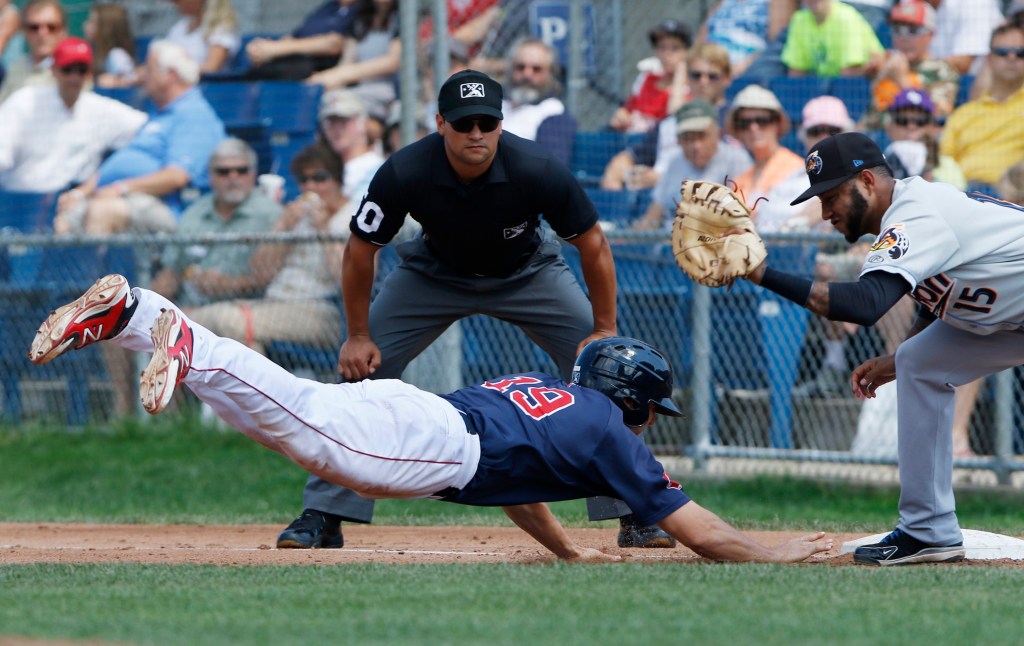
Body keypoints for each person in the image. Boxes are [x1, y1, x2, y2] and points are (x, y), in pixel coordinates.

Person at [27, 287, 834, 564]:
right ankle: (184, 340)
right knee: (299, 421)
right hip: (431, 444)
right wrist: (776, 551)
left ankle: (139, 317)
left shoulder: (555, 402)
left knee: (283, 421)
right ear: (633, 399)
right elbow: (701, 531)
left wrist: (565, 553)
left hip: (429, 419)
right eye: (650, 411)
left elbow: (520, 487)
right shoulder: (609, 434)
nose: (647, 426)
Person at [278, 69, 676, 552]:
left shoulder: (535, 167)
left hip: (528, 273)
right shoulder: (406, 169)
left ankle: (636, 511)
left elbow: (592, 243)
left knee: (608, 372)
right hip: (434, 275)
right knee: (361, 375)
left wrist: (605, 329)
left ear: (501, 125)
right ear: (441, 122)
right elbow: (361, 249)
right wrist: (358, 334)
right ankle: (325, 513)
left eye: (486, 122)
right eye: (464, 123)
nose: (476, 134)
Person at [736, 131, 1024, 565]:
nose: (826, 210)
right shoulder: (907, 218)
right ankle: (928, 532)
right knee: (918, 362)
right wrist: (899, 356)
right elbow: (936, 293)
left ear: (867, 181)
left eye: (832, 195)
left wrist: (762, 275)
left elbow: (865, 305)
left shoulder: (915, 214)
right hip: (1011, 319)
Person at [186, 142, 349, 354]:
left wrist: (324, 230)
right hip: (274, 304)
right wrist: (283, 228)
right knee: (236, 342)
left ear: (337, 180)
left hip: (322, 309)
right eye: (304, 180)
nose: (311, 186)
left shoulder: (353, 216)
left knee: (227, 320)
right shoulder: (297, 217)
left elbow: (349, 278)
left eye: (320, 178)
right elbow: (261, 271)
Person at [53, 40, 226, 235]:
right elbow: (121, 163)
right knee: (66, 216)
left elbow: (177, 177)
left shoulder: (194, 114)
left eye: (149, 69)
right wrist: (80, 193)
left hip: (171, 208)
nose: (143, 75)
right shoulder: (157, 115)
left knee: (103, 210)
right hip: (125, 197)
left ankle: (95, 267)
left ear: (170, 75)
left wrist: (121, 189)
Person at [149, 138, 281, 314]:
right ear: (211, 177)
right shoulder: (193, 214)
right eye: (223, 172)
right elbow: (172, 272)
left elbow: (271, 278)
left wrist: (227, 284)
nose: (233, 177)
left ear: (253, 174)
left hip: (244, 311)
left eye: (241, 170)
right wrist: (148, 308)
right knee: (119, 334)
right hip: (187, 311)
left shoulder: (272, 215)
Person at [0, 37, 146, 192]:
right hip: (20, 198)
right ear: (54, 71)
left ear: (89, 73)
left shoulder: (101, 109)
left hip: (71, 200)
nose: (74, 77)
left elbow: (148, 131)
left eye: (81, 70)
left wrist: (109, 173)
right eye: (67, 69)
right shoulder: (24, 102)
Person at [601, 44, 732, 192]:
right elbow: (630, 157)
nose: (703, 81)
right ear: (687, 78)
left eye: (712, 76)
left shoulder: (734, 119)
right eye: (696, 75)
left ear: (727, 79)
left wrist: (662, 179)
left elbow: (725, 174)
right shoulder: (669, 122)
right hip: (658, 204)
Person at [633, 100, 752, 232]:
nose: (696, 146)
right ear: (679, 140)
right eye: (688, 138)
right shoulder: (674, 163)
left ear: (716, 134)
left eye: (702, 136)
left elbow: (743, 218)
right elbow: (653, 216)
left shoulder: (736, 159)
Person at [940, 24, 1024, 189]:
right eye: (1002, 52)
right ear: (988, 59)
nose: (1011, 57)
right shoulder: (964, 113)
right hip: (964, 195)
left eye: (1020, 53)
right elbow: (943, 161)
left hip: (1013, 198)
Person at [726, 85, 817, 233]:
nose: (753, 128)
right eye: (745, 123)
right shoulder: (740, 179)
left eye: (762, 121)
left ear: (777, 123)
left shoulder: (797, 169)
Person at [865, 0, 959, 129]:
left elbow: (939, 117)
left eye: (913, 30)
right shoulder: (886, 66)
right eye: (898, 30)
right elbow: (868, 121)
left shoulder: (941, 71)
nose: (903, 38)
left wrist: (903, 81)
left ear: (931, 35)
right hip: (878, 139)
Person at [307, 0, 400, 111]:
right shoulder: (359, 17)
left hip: (391, 93)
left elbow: (392, 62)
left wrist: (340, 75)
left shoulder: (405, 17)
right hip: (360, 90)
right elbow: (348, 60)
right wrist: (328, 79)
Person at [499, 37, 576, 165]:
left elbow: (549, 169)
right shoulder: (499, 104)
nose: (527, 74)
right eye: (520, 67)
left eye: (536, 69)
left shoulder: (553, 112)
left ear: (550, 74)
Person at [243, 0, 362, 81]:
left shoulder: (362, 9)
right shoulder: (329, 7)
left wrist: (277, 49)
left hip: (316, 70)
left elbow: (334, 44)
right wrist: (263, 49)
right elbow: (295, 36)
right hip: (290, 62)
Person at [609, 19, 691, 134]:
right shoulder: (647, 77)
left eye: (675, 48)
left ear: (687, 51)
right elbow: (629, 108)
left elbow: (675, 116)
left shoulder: (694, 84)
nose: (667, 54)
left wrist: (681, 72)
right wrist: (622, 115)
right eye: (661, 48)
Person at [781, 0, 884, 78]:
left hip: (868, 87)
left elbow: (849, 77)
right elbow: (796, 75)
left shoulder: (846, 18)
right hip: (829, 88)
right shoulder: (799, 20)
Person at [317, 88, 385, 201]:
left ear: (362, 123)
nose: (337, 129)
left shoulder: (378, 169)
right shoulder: (322, 168)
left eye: (344, 121)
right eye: (331, 122)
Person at [0, 0, 68, 104]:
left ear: (63, 31)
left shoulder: (73, 70)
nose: (42, 33)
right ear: (24, 31)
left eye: (51, 27)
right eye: (34, 28)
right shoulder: (16, 69)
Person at [697, 0, 770, 79]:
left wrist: (741, 67)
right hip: (709, 65)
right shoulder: (723, 2)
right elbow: (700, 40)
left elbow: (775, 41)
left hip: (747, 67)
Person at [163, 0, 240, 74]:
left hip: (207, 86)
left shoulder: (221, 30)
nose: (175, 2)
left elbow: (211, 69)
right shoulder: (180, 26)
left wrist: (175, 73)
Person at [929, 0, 1004, 76]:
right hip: (941, 78)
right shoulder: (926, 6)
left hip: (973, 80)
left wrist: (921, 66)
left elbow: (964, 63)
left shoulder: (974, 2)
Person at [83, 3, 137, 88]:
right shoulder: (97, 54)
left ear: (105, 29)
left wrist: (116, 82)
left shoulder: (117, 55)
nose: (85, 25)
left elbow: (132, 79)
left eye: (92, 22)